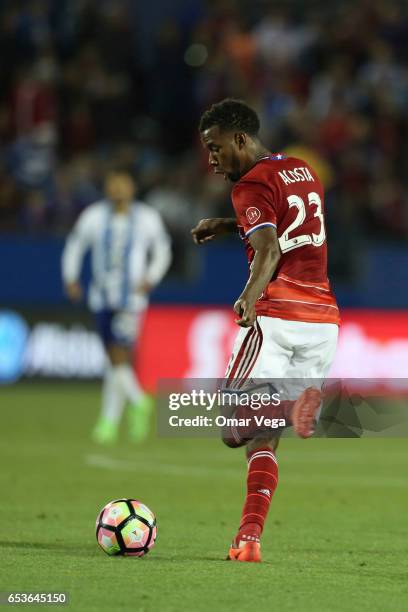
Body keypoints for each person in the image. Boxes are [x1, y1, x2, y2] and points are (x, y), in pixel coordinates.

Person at [192, 99, 339, 562]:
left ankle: (291, 405)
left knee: (232, 428)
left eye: (216, 149)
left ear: (240, 139)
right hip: (324, 322)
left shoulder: (249, 185)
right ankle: (249, 539)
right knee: (265, 435)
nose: (212, 160)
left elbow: (271, 250)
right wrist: (227, 225)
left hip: (277, 317)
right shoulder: (300, 168)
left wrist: (248, 297)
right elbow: (288, 224)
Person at [62, 167, 172, 444]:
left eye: (123, 184)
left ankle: (122, 413)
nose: (118, 189)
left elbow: (163, 249)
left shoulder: (146, 217)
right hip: (100, 296)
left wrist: (151, 277)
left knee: (117, 355)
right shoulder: (94, 217)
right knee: (114, 362)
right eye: (113, 184)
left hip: (131, 300)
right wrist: (71, 277)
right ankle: (117, 418)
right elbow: (75, 246)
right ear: (107, 188)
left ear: (132, 188)